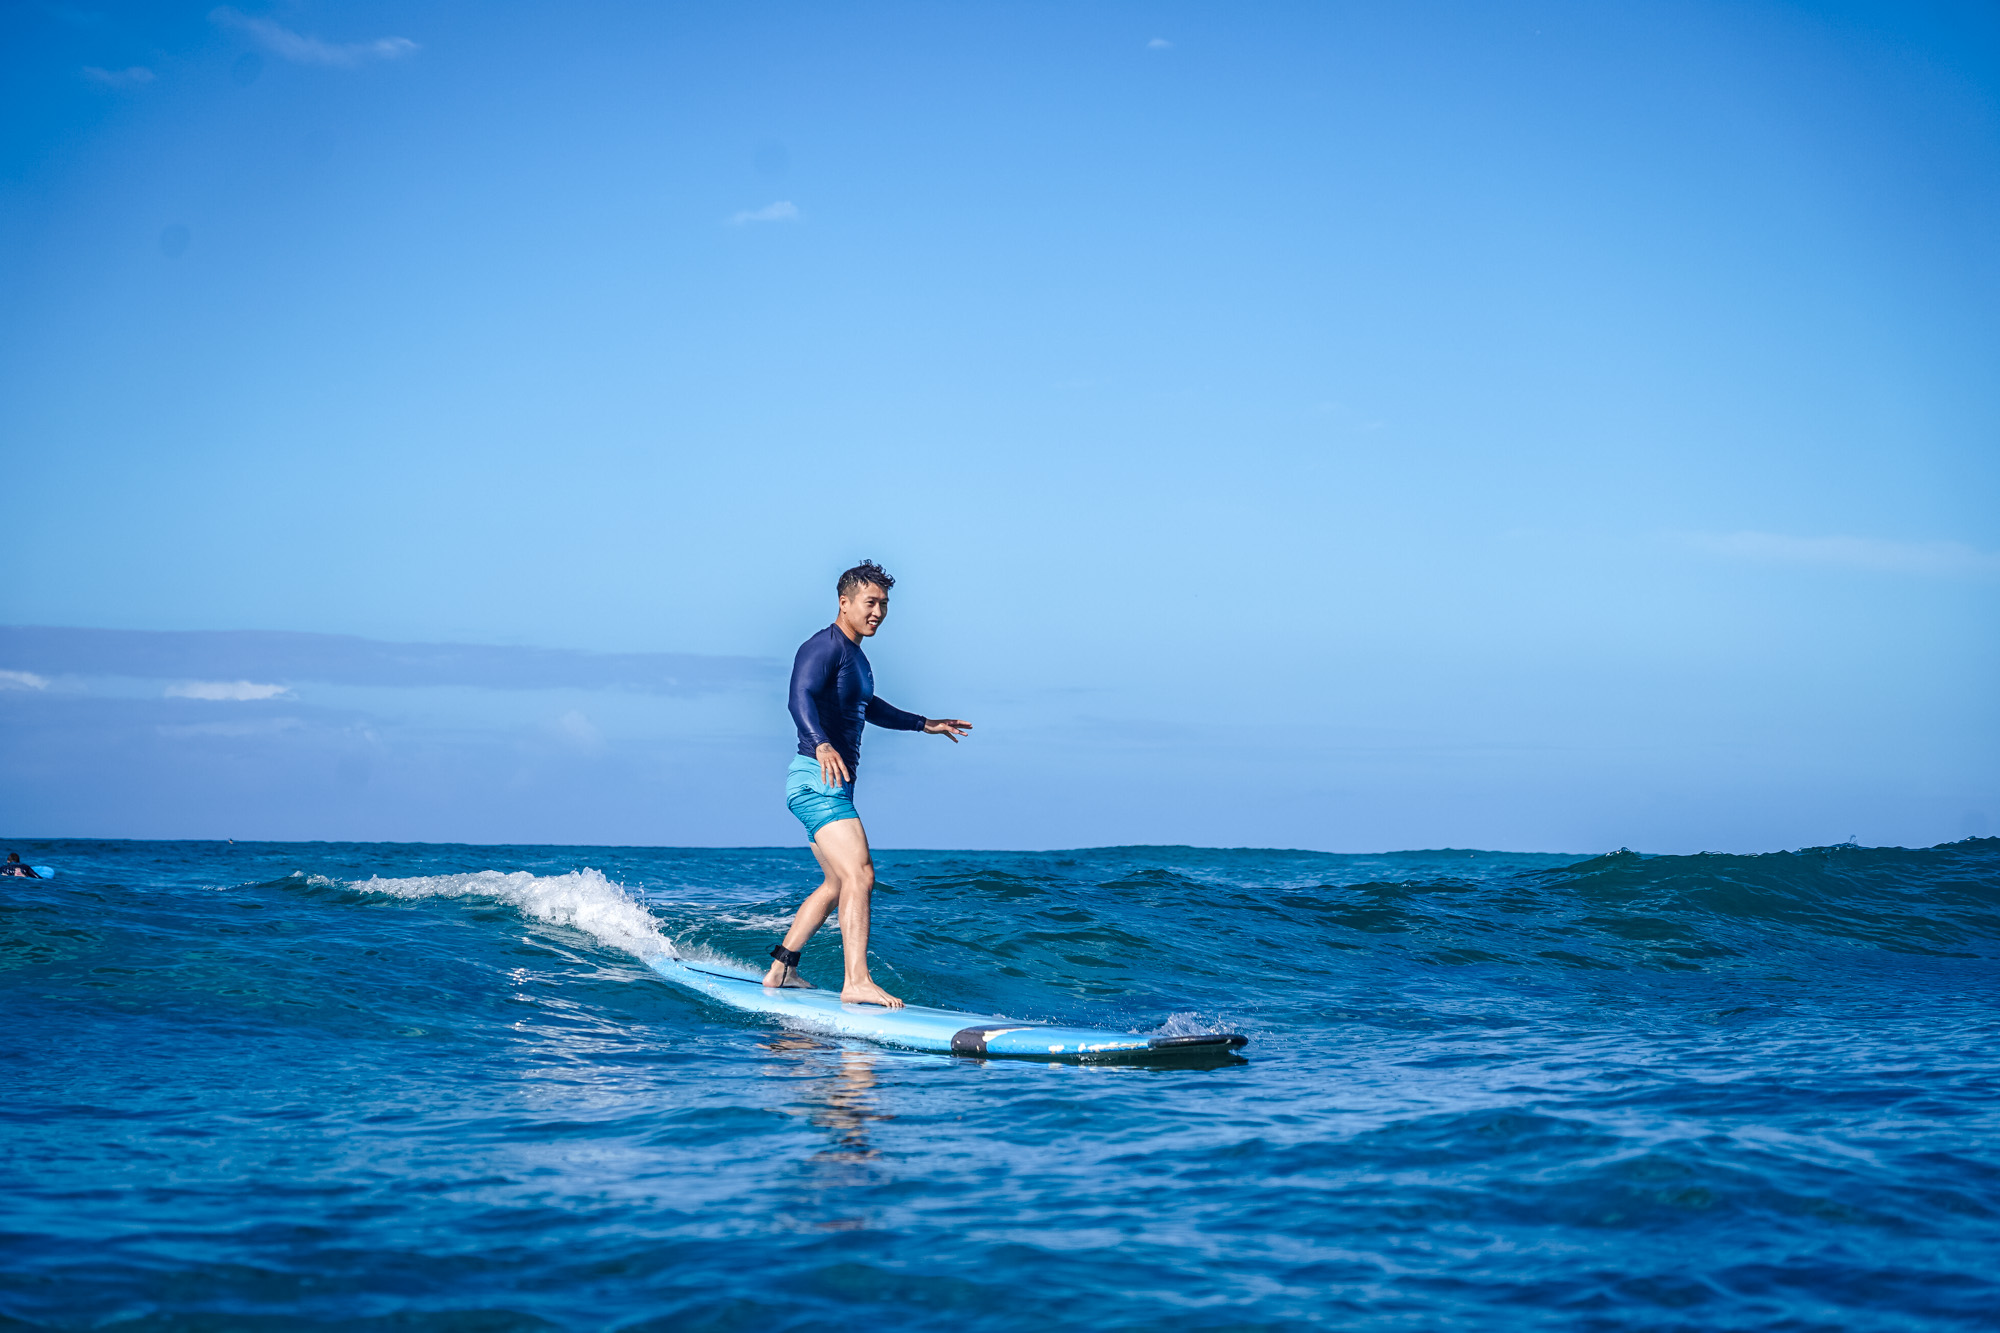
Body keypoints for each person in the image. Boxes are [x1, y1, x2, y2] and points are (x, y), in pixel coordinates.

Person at [764, 560, 971, 1007]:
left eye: (884, 604)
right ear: (845, 603)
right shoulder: (823, 647)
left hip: (826, 783)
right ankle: (856, 981)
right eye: (870, 602)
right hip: (816, 779)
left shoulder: (855, 657)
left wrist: (923, 724)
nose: (878, 612)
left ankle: (781, 968)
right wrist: (820, 743)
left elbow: (869, 707)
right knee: (861, 874)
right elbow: (797, 696)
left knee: (838, 884)